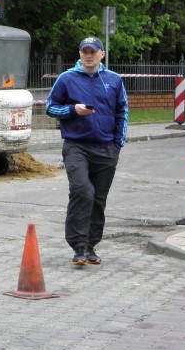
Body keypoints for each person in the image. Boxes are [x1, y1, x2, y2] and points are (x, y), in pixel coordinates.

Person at [45, 36, 129, 266]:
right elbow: (50, 107)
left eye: (93, 52)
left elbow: (122, 111)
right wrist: (73, 110)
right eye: (85, 52)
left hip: (106, 149)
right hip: (76, 146)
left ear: (102, 54)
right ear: (80, 54)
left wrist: (117, 145)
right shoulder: (66, 79)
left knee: (98, 200)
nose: (89, 56)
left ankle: (91, 245)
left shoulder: (113, 80)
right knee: (83, 191)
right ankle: (78, 245)